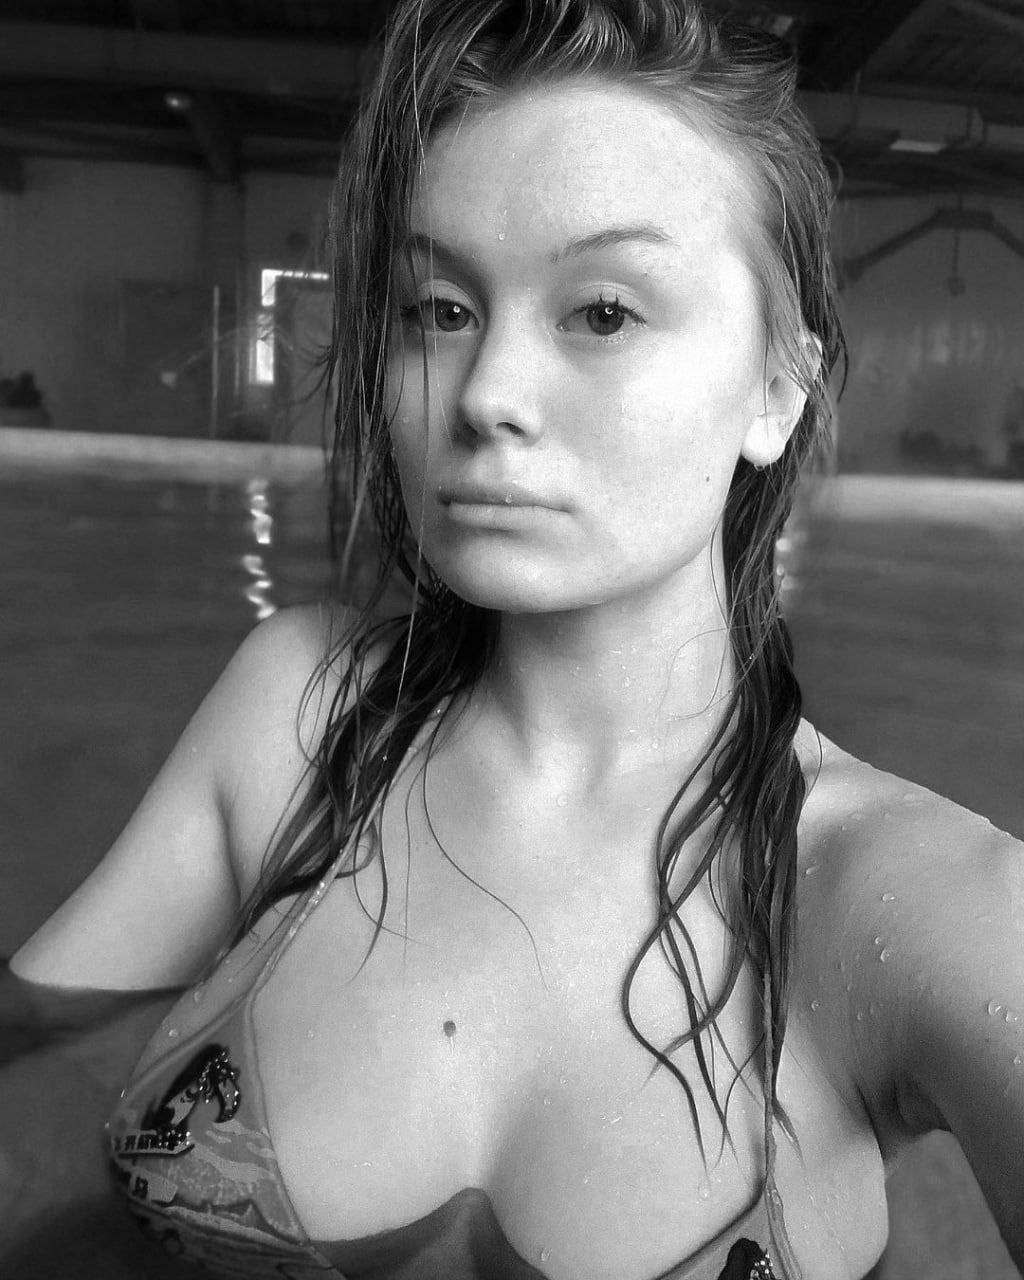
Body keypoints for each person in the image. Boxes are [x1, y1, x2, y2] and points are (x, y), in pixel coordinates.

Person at [5, 1, 1024, 1278]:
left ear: (778, 387)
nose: (485, 394)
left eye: (601, 313)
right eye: (439, 309)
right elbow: (29, 1054)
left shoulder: (904, 900)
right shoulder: (301, 717)